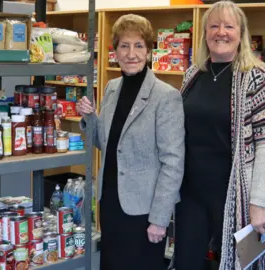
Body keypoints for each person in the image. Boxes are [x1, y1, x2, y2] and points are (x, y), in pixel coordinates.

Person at [173, 1, 265, 269]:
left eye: (229, 26)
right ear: (205, 33)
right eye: (214, 26)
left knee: (234, 264)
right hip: (190, 192)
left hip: (234, 194)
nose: (221, 32)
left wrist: (258, 203)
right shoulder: (193, 74)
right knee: (187, 262)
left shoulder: (257, 78)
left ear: (240, 33)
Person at [76, 14, 185, 270]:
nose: (131, 54)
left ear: (148, 51)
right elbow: (107, 143)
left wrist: (160, 219)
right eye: (124, 46)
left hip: (144, 212)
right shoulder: (112, 88)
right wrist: (89, 118)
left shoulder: (165, 97)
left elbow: (173, 163)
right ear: (115, 51)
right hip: (111, 203)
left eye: (138, 46)